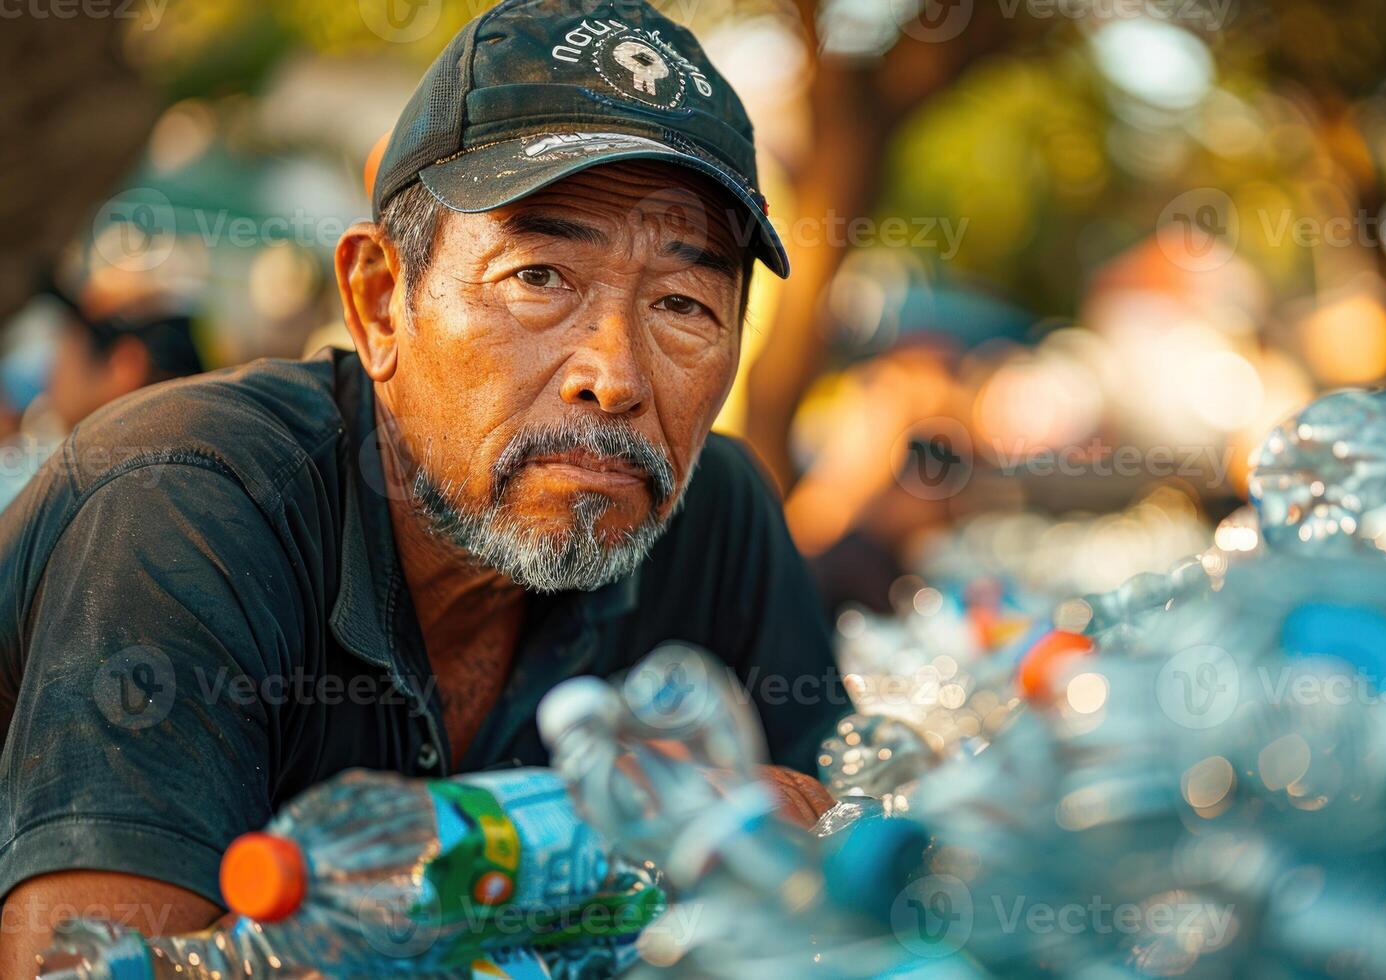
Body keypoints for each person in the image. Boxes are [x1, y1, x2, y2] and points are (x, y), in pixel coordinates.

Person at [0, 1, 845, 971]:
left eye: (684, 303)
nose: (614, 374)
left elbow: (858, 878)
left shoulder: (712, 514)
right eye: (539, 276)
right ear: (377, 302)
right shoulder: (185, 506)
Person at [0, 286, 204, 510]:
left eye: (68, 348)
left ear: (125, 365)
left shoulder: (105, 483)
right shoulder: (193, 462)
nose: (51, 370)